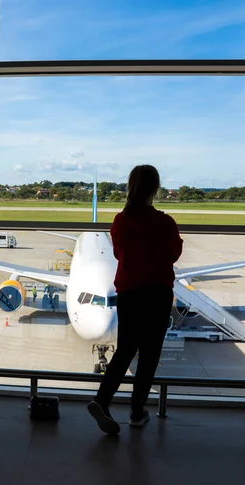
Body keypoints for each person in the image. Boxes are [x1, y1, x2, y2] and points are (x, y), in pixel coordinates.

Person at [87, 165, 183, 435]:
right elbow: (174, 255)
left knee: (125, 351)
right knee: (149, 355)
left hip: (129, 293)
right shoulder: (165, 223)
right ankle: (137, 411)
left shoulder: (120, 221)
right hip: (157, 294)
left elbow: (118, 253)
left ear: (130, 187)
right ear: (155, 189)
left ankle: (102, 400)